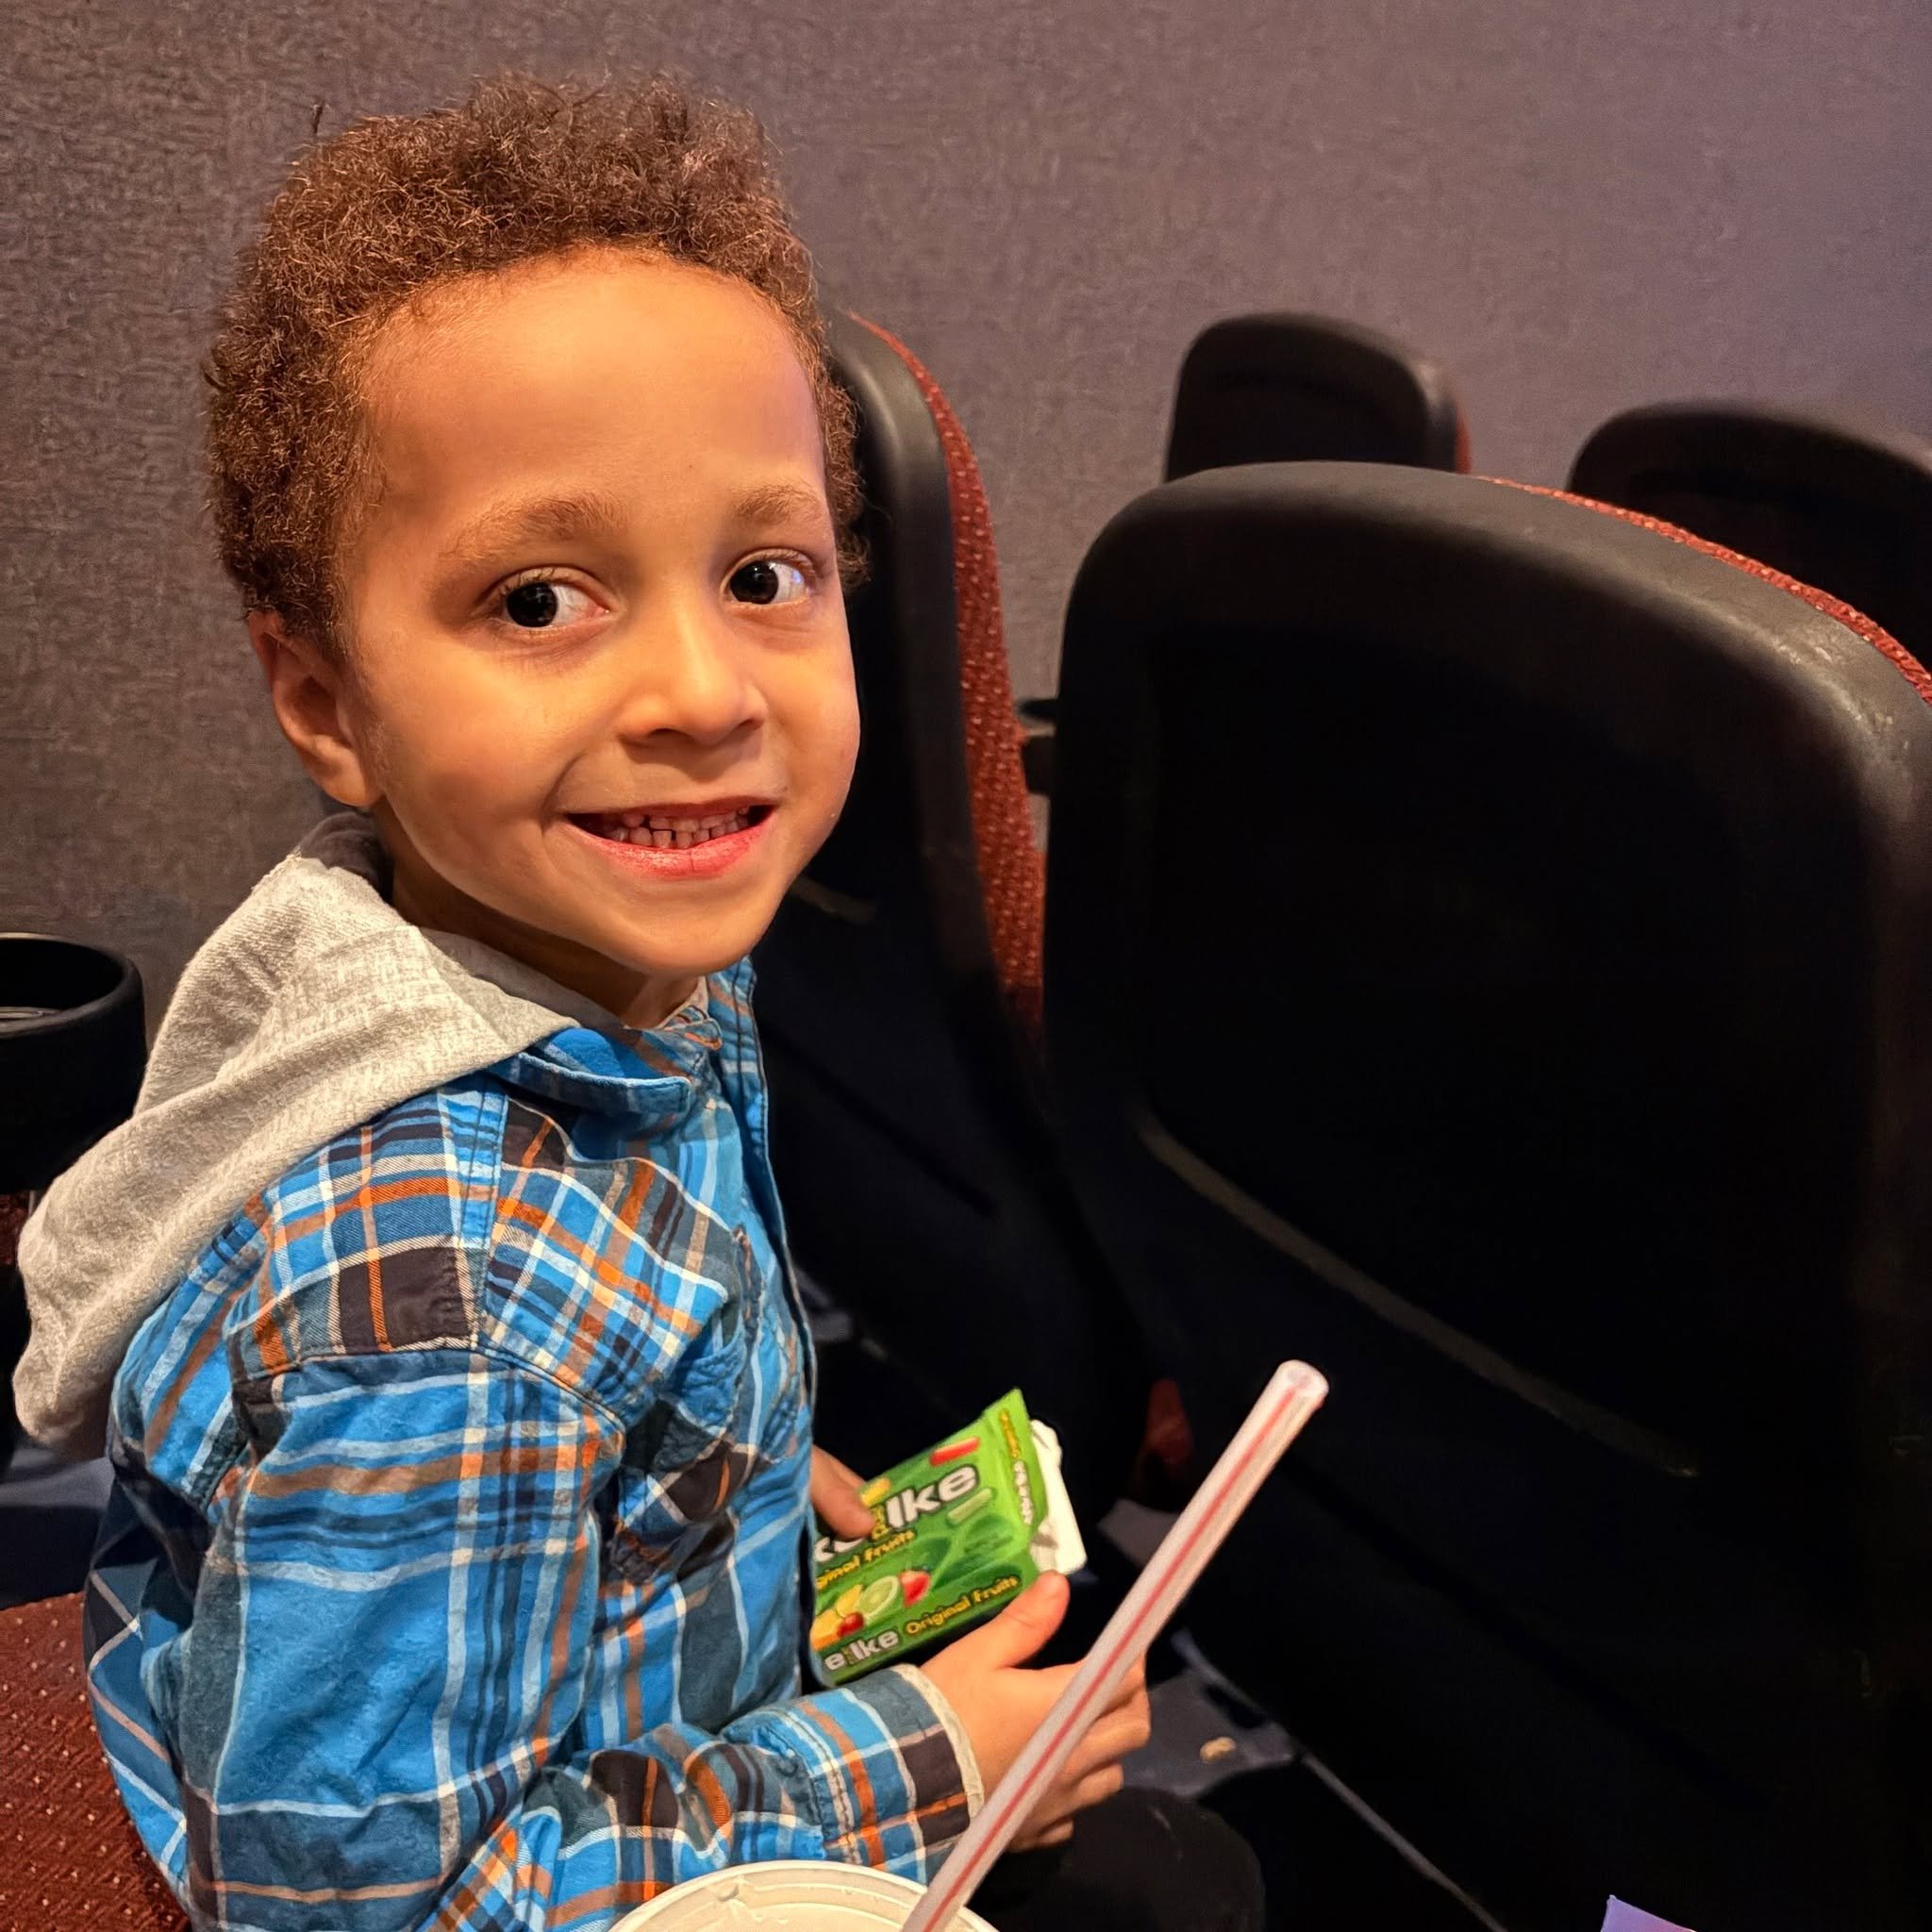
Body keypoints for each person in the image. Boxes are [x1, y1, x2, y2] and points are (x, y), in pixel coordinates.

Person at [14, 72, 1261, 1932]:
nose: (700, 686)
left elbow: (595, 1371)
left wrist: (734, 1483)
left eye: (764, 573)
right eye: (537, 599)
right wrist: (922, 1766)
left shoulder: (584, 952)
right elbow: (372, 1897)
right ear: (325, 699)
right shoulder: (439, 1319)